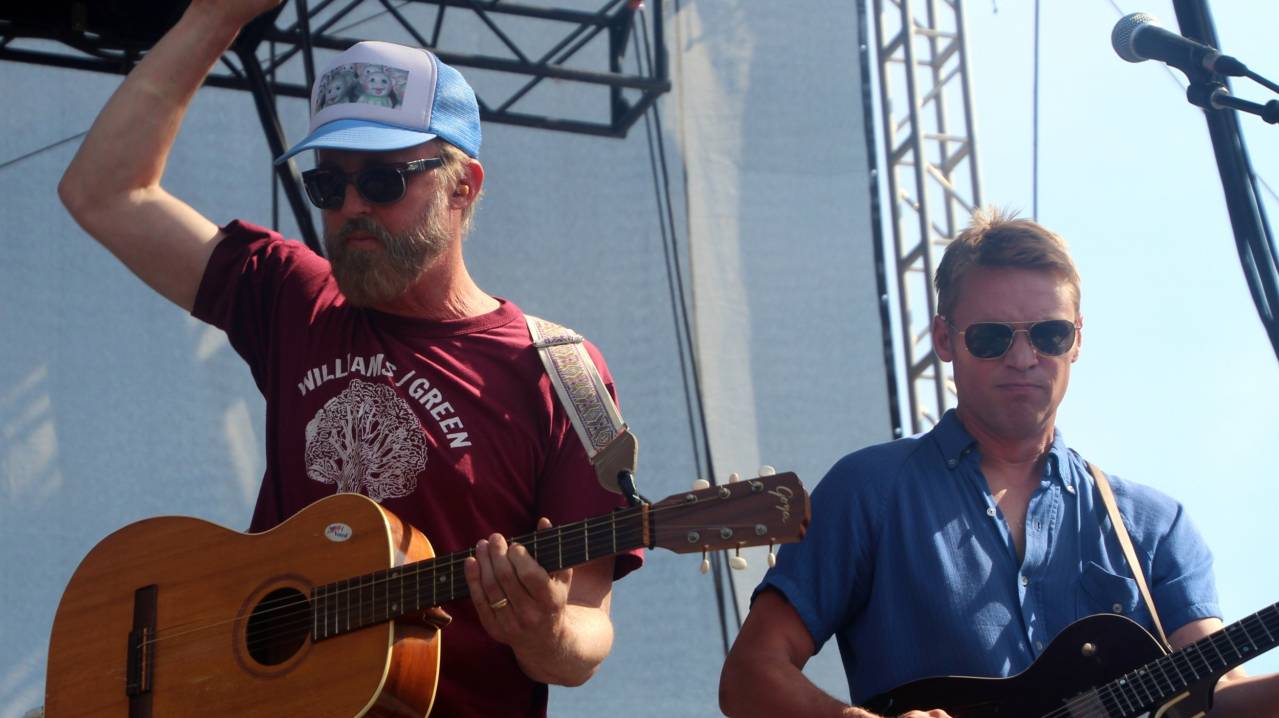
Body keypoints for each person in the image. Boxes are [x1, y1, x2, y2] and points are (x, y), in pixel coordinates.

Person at [56, 1, 642, 715]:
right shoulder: (294, 296)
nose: (352, 206)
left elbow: (587, 630)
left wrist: (546, 631)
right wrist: (215, 16)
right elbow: (104, 192)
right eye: (328, 186)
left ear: (463, 186)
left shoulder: (563, 373)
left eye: (384, 181)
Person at [718, 209, 1279, 717]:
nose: (1023, 358)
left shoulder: (1156, 526)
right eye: (991, 337)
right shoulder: (869, 488)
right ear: (944, 339)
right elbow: (749, 676)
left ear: (1077, 340)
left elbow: (1219, 697)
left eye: (1050, 334)